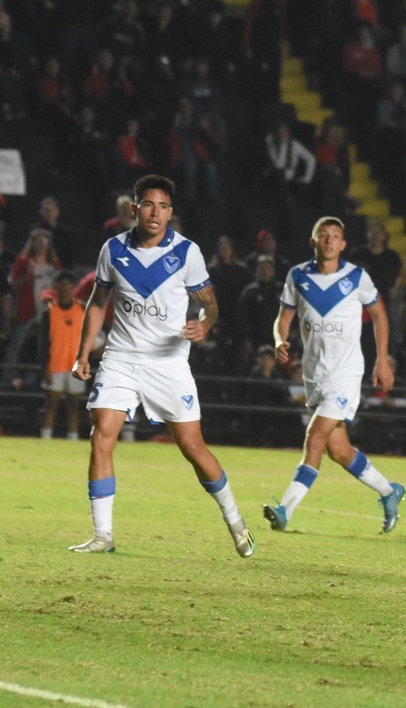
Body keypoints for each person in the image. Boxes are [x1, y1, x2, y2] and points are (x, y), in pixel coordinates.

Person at [68, 173, 255, 558]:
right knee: (102, 435)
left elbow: (210, 304)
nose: (155, 213)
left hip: (168, 363)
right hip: (121, 356)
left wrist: (204, 324)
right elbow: (98, 303)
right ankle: (103, 534)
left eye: (163, 206)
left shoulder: (187, 253)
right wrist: (84, 352)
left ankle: (236, 521)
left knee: (192, 446)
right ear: (134, 208)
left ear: (171, 212)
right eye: (148, 205)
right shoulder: (113, 249)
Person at [261, 216, 405, 533]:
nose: (329, 240)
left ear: (343, 244)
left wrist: (382, 361)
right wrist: (279, 340)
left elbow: (380, 316)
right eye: (323, 235)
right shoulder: (297, 276)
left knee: (314, 438)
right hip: (315, 375)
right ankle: (388, 491)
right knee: (339, 451)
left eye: (335, 236)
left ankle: (285, 510)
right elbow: (282, 318)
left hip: (346, 373)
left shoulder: (357, 277)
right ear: (313, 242)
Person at [39, 271, 85, 440]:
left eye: (68, 285)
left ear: (73, 288)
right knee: (51, 404)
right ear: (56, 288)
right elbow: (43, 343)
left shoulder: (82, 309)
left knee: (74, 406)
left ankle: (73, 437)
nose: (65, 289)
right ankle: (46, 437)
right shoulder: (49, 312)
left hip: (76, 365)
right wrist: (45, 367)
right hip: (55, 365)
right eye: (61, 285)